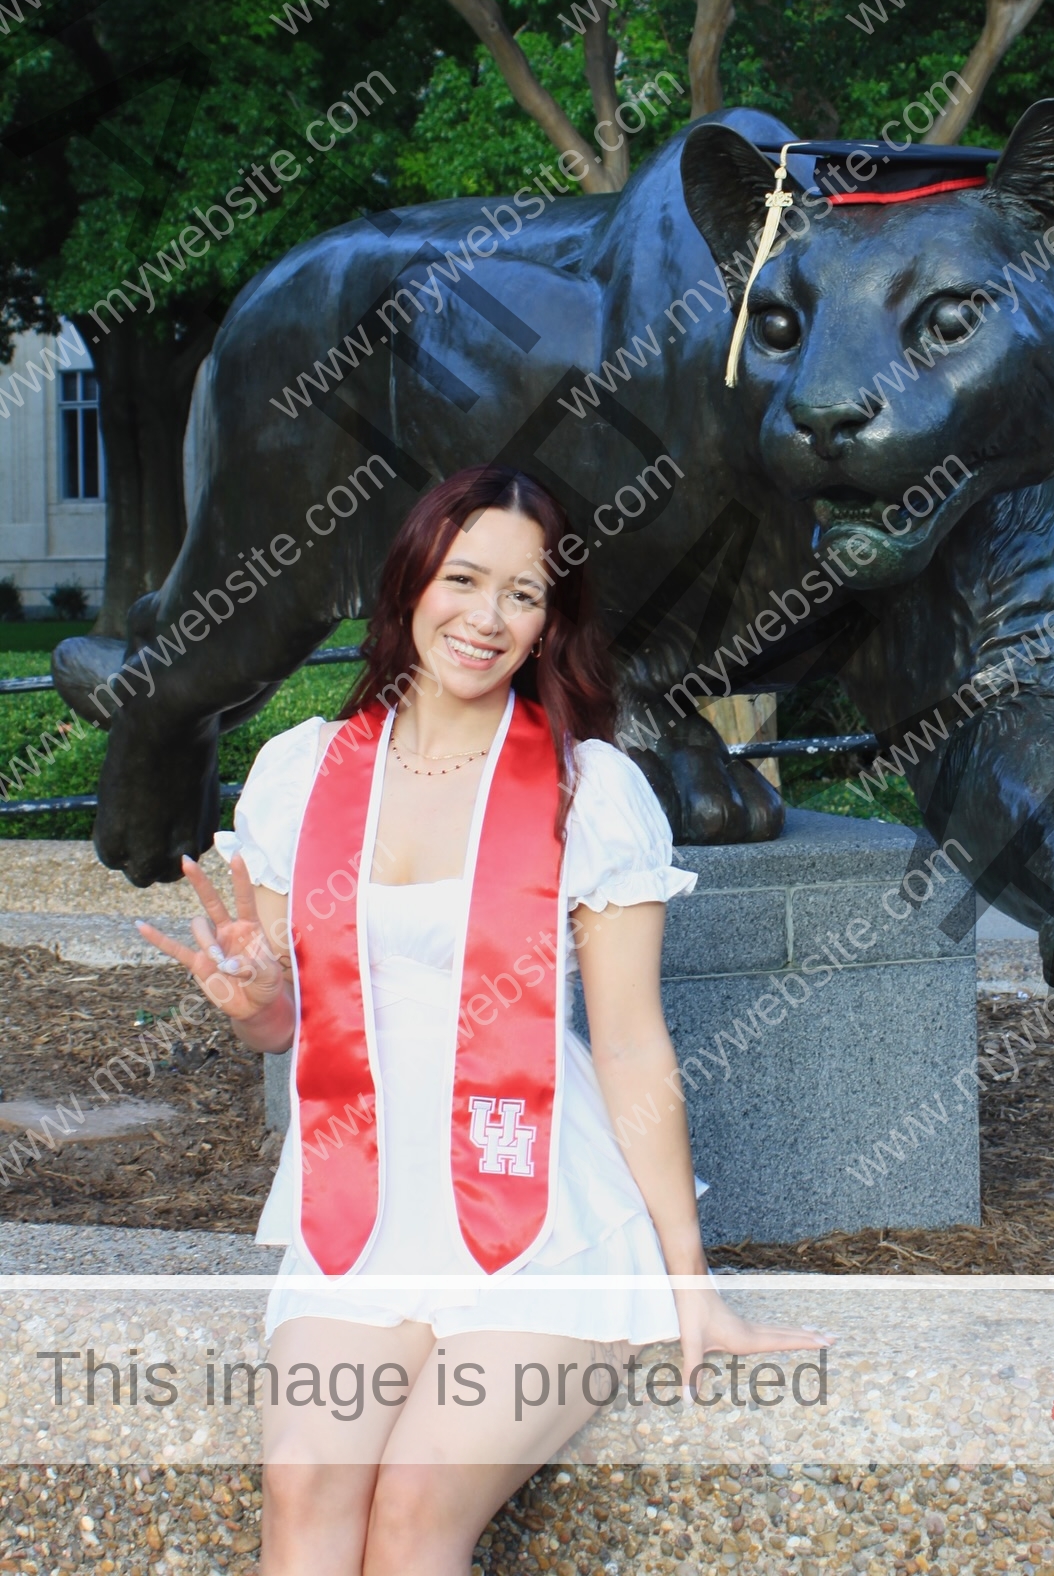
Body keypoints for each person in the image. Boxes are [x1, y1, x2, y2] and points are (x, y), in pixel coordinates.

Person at [138, 464, 823, 1576]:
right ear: (411, 582)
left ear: (551, 621)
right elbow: (287, 1026)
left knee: (416, 1509)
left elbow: (632, 1042)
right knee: (304, 1482)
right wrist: (258, 1003)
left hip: (543, 1217)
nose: (487, 617)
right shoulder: (299, 774)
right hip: (359, 1212)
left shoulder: (587, 790)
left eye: (524, 593)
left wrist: (690, 1281)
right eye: (463, 579)